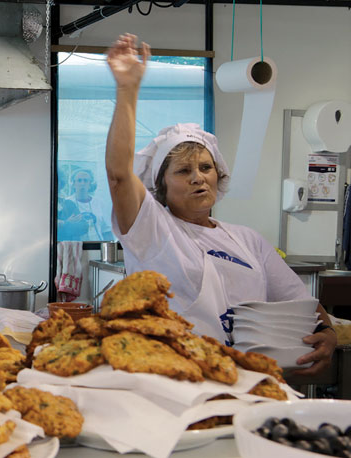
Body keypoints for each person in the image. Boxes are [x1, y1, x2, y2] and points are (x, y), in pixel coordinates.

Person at [104, 33, 335, 375]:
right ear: (161, 186)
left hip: (247, 377)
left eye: (205, 168)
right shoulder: (152, 228)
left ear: (219, 174)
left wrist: (327, 331)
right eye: (183, 171)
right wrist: (127, 89)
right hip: (174, 376)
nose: (198, 178)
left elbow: (300, 302)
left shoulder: (247, 240)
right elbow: (119, 176)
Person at [62, 168, 113, 241]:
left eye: (85, 180)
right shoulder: (66, 203)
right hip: (77, 246)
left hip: (97, 245)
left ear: (90, 184)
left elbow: (106, 230)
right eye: (79, 180)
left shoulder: (100, 203)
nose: (82, 183)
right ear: (73, 184)